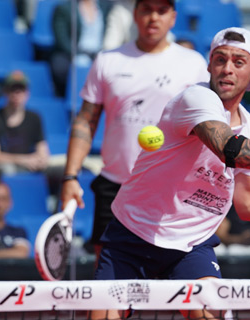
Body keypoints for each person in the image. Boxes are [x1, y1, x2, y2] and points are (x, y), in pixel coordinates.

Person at [65, 27, 250, 320]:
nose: (227, 69)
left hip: (191, 246)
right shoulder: (196, 98)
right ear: (209, 66)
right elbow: (232, 149)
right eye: (220, 60)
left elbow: (248, 205)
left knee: (214, 314)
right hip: (134, 236)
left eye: (238, 62)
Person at [60, 0, 209, 256]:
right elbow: (86, 119)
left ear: (173, 18)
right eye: (146, 9)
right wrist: (70, 176)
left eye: (161, 11)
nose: (154, 17)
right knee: (106, 274)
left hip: (170, 188)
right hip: (115, 186)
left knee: (167, 277)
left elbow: (206, 126)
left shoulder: (193, 64)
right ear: (134, 14)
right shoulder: (108, 61)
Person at [0, 70, 50, 178]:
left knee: (62, 170)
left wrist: (41, 160)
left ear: (27, 93)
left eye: (21, 90)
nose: (16, 94)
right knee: (7, 170)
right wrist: (24, 160)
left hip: (30, 165)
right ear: (5, 92)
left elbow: (43, 150)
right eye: (12, 90)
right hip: (7, 167)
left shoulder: (34, 118)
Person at [50, 0, 114, 96]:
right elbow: (62, 40)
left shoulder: (105, 7)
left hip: (99, 54)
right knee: (62, 66)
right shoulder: (65, 8)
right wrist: (79, 54)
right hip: (74, 54)